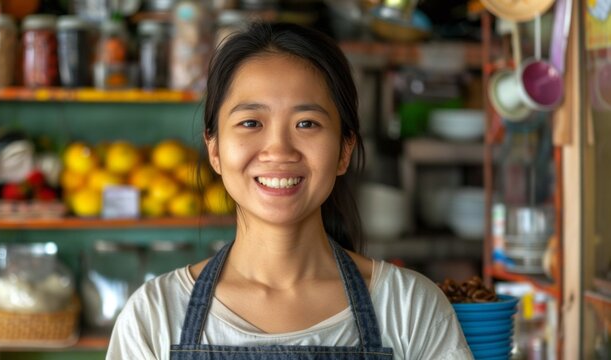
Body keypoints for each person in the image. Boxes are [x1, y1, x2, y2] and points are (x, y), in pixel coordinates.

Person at [107, 22, 472, 360]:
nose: (279, 150)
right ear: (214, 150)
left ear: (344, 150)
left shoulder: (410, 307)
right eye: (251, 122)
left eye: (306, 123)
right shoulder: (155, 315)